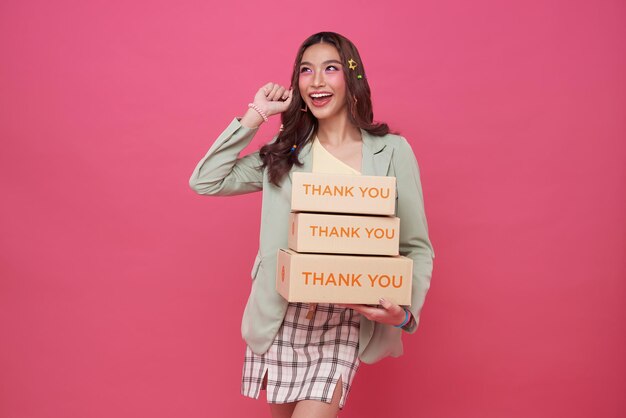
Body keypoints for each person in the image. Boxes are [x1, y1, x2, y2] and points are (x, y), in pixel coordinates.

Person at [189, 31, 434, 418]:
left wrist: (404, 313)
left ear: (352, 78)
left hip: (346, 318)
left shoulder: (392, 152)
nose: (316, 81)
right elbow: (206, 180)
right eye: (306, 70)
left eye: (330, 68)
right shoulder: (286, 154)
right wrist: (256, 116)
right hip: (282, 313)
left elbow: (416, 245)